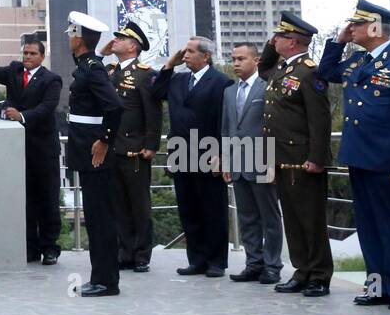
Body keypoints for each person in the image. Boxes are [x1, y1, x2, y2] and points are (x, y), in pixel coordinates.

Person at [318, 0, 390, 311]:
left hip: (388, 157)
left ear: (376, 28)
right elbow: (325, 72)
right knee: (367, 225)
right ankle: (377, 287)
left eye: (358, 24)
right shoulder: (356, 61)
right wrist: (337, 43)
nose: (351, 28)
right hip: (358, 155)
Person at [258, 13, 332, 295]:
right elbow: (263, 67)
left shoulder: (309, 71)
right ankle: (302, 271)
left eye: (280, 36)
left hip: (303, 160)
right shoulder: (281, 69)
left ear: (292, 42)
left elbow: (320, 120)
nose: (274, 39)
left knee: (310, 220)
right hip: (281, 158)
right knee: (292, 219)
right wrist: (270, 45)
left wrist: (316, 158)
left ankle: (319, 275)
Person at [152, 35, 233, 277]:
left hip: (209, 151)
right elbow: (155, 92)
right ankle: (196, 259)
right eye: (184, 51)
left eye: (189, 51)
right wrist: (169, 64)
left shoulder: (221, 82)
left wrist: (222, 153)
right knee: (188, 209)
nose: (184, 55)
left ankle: (216, 261)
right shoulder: (177, 80)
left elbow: (224, 120)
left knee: (213, 209)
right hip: (180, 152)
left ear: (205, 55)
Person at [0, 32, 64, 265]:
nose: (27, 57)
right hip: (20, 149)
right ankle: (30, 247)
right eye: (25, 53)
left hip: (44, 149)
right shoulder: (15, 71)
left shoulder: (51, 80)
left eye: (32, 54)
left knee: (48, 198)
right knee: (26, 200)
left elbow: (47, 108)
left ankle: (50, 247)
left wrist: (21, 116)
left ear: (42, 56)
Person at [62, 11, 122, 296]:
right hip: (85, 148)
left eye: (72, 34)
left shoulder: (93, 68)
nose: (69, 39)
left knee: (101, 219)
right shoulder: (88, 64)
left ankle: (106, 281)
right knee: (96, 216)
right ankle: (100, 277)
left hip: (95, 151)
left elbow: (114, 107)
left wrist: (104, 140)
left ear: (78, 38)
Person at [221, 40, 284, 287]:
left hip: (262, 159)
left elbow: (276, 127)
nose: (235, 63)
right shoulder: (229, 91)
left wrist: (272, 161)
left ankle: (272, 265)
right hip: (237, 163)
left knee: (269, 216)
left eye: (241, 59)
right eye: (234, 59)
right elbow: (226, 129)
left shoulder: (268, 86)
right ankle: (253, 263)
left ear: (256, 60)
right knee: (247, 217)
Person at [103, 17, 161, 273]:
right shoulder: (111, 71)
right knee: (118, 204)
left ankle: (141, 254)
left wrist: (151, 144)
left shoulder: (145, 74)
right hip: (113, 147)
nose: (115, 40)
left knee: (138, 205)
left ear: (133, 46)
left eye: (122, 38)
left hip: (135, 148)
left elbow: (153, 112)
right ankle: (124, 251)